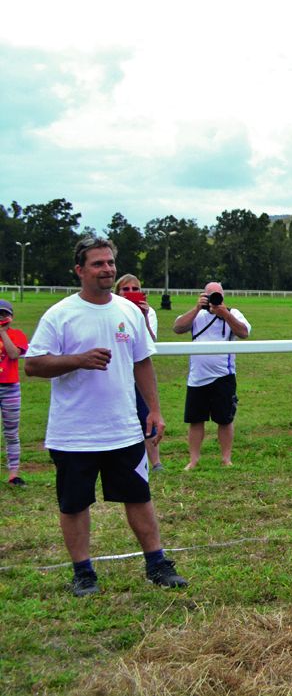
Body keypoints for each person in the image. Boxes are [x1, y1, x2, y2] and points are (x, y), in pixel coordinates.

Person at [23, 236, 187, 596]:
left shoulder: (128, 311)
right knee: (74, 504)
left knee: (139, 497)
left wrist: (155, 410)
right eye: (98, 263)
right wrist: (77, 360)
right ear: (80, 270)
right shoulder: (61, 314)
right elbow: (33, 365)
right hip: (74, 434)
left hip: (123, 429)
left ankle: (157, 563)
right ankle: (83, 573)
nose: (107, 269)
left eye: (110, 262)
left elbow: (142, 362)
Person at [172, 282, 251, 470]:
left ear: (223, 297)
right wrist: (196, 308)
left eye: (218, 295)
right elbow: (178, 328)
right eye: (210, 296)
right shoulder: (197, 315)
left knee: (225, 420)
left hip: (224, 376)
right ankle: (193, 460)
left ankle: (226, 459)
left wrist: (225, 314)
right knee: (195, 420)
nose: (214, 300)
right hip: (197, 377)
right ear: (203, 296)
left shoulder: (232, 313)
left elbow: (244, 332)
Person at [115, 274, 163, 473]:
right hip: (116, 373)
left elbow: (149, 344)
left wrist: (143, 317)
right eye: (126, 289)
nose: (131, 293)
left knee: (146, 415)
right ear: (117, 292)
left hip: (137, 373)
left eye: (135, 289)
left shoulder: (148, 313)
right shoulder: (111, 310)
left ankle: (156, 462)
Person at [1, 298, 29, 486]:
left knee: (11, 432)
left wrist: (3, 333)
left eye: (4, 314)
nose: (0, 317)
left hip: (10, 388)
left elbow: (13, 354)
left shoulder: (17, 335)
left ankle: (13, 474)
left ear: (11, 317)